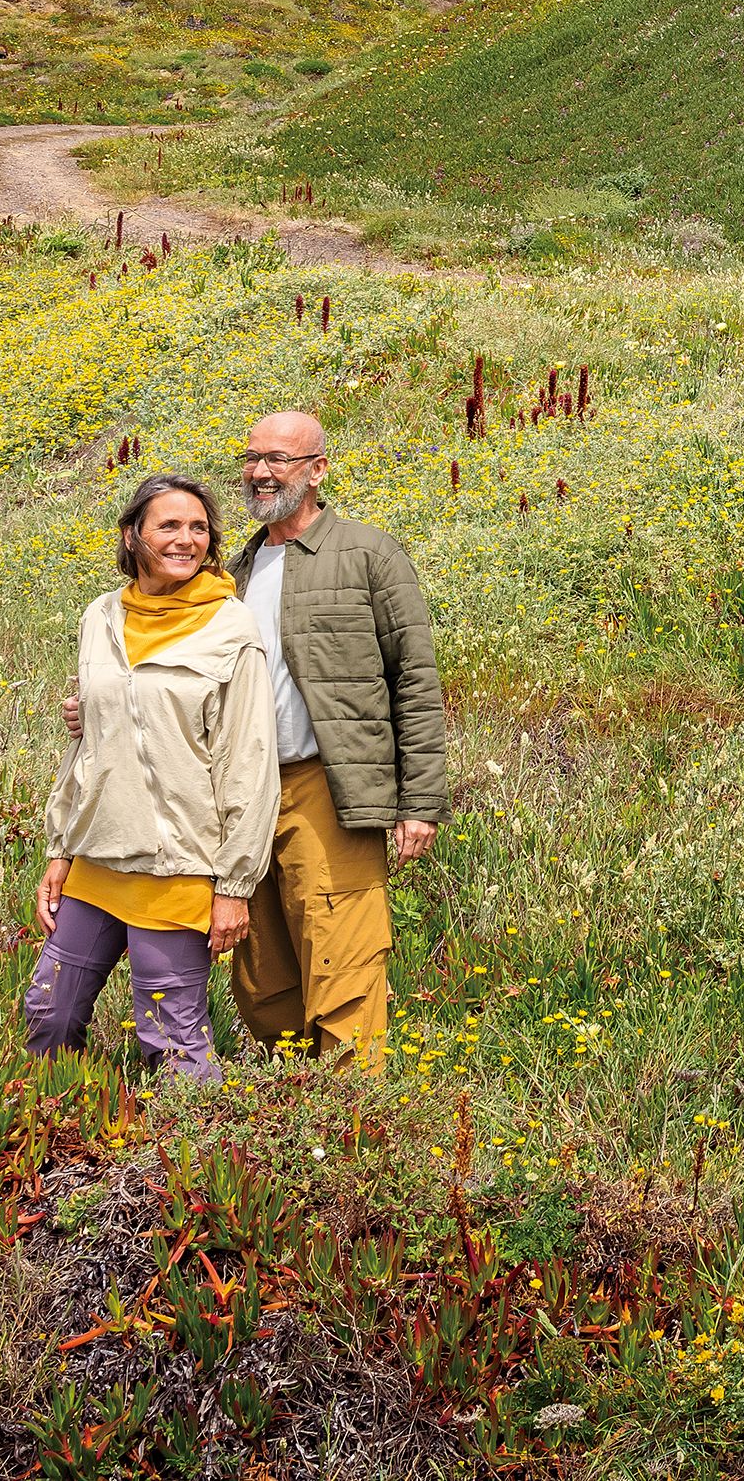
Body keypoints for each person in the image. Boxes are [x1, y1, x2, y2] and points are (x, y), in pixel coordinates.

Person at [24, 473, 278, 1084]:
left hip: (177, 865)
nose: (186, 540)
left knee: (168, 1039)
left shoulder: (230, 627)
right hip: (98, 857)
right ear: (133, 535)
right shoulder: (102, 616)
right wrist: (60, 848)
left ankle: (193, 1163)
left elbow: (251, 763)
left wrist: (235, 886)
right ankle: (56, 1134)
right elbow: (89, 745)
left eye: (199, 528)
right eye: (169, 525)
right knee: (48, 1017)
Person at [228, 407, 447, 1064]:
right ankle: (297, 1113)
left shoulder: (367, 554)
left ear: (318, 470)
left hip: (329, 786)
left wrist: (420, 803)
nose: (262, 473)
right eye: (253, 458)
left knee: (343, 958)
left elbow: (414, 677)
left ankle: (357, 1124)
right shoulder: (231, 572)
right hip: (244, 796)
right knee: (261, 972)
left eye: (280, 460)